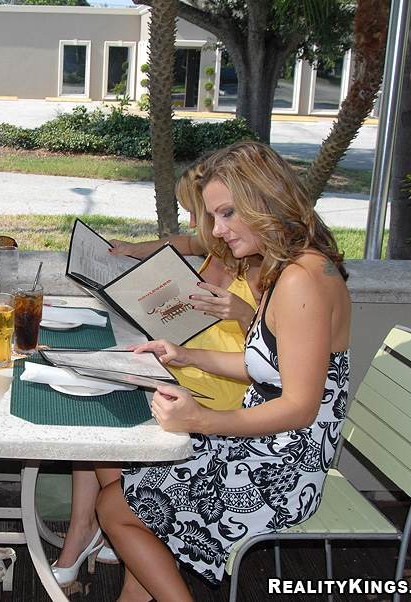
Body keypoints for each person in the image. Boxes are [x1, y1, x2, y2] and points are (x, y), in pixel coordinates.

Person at [95, 140, 351, 601]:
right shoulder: (287, 266)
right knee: (132, 477)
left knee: (114, 505)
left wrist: (202, 421)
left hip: (282, 470)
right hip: (265, 445)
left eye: (228, 213)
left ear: (266, 199)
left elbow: (298, 407)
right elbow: (266, 366)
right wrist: (185, 355)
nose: (217, 229)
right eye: (214, 216)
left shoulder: (301, 280)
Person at [52, 162, 262, 586]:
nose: (196, 224)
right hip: (185, 372)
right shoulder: (215, 247)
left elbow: (274, 350)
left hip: (219, 393)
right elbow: (179, 241)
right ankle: (102, 529)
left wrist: (244, 315)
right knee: (90, 405)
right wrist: (134, 249)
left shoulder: (256, 266)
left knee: (102, 421)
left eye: (199, 212)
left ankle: (113, 530)